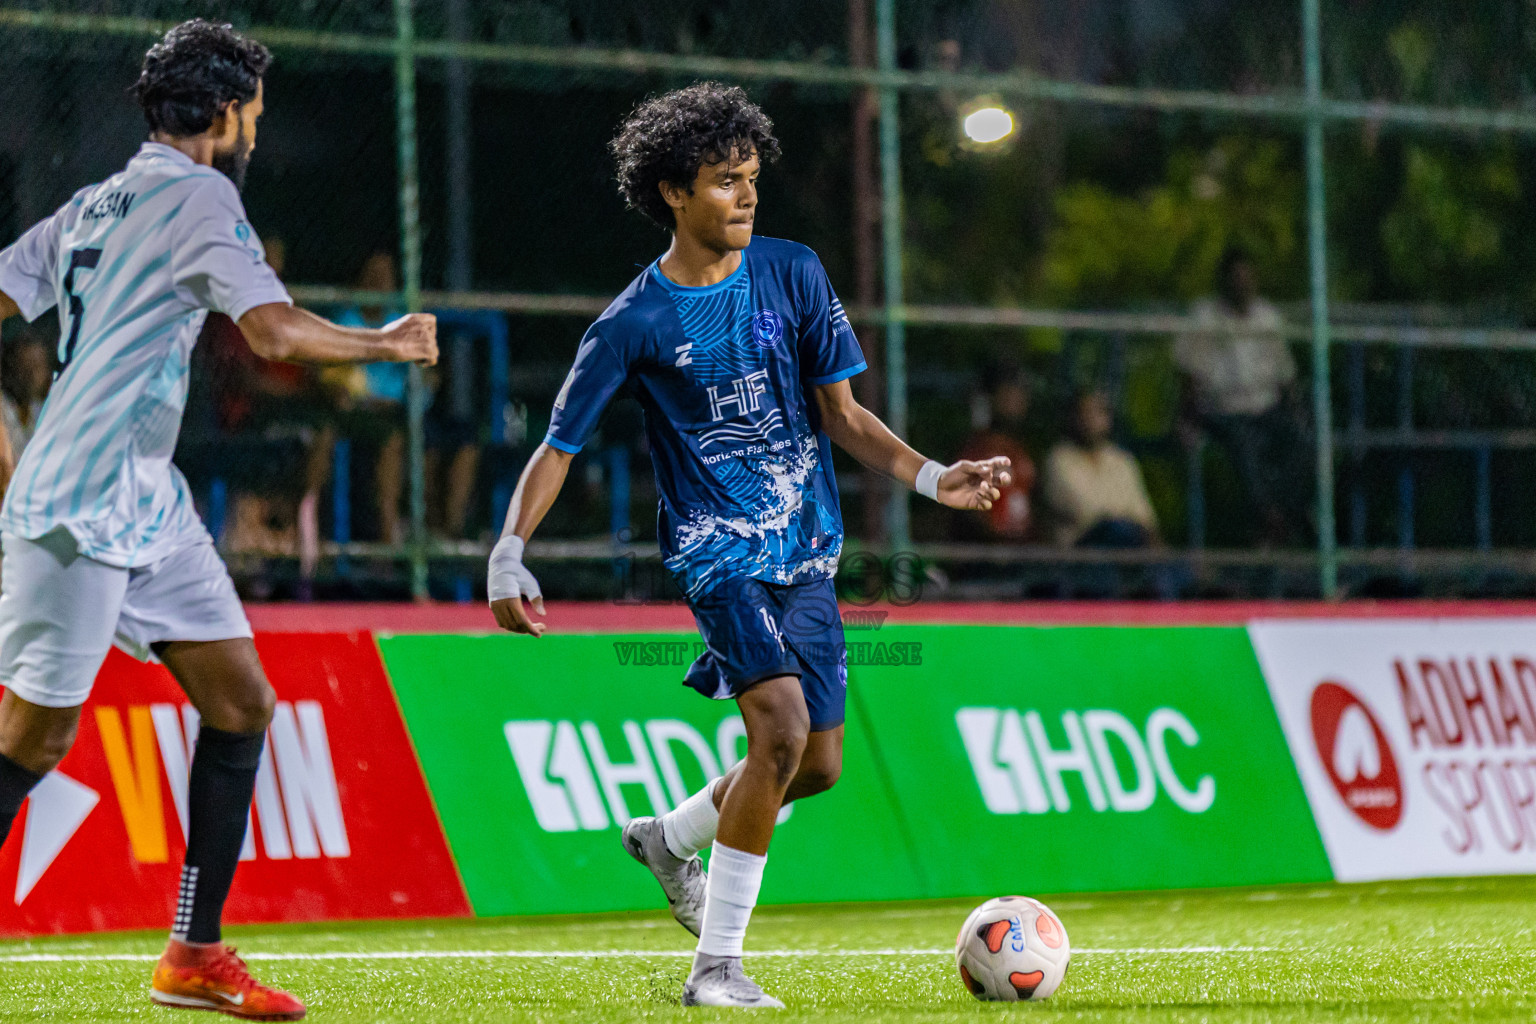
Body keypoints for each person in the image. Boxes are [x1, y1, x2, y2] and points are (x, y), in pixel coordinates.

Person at [485, 83, 1010, 1009]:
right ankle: (717, 969)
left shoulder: (794, 272)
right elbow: (556, 448)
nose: (747, 197)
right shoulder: (632, 323)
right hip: (715, 551)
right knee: (778, 730)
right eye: (727, 183)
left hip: (804, 549)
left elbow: (841, 416)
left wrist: (935, 477)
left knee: (818, 763)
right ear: (673, 193)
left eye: (753, 179)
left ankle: (667, 839)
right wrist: (509, 549)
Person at [0, 20, 436, 1020]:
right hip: (74, 501)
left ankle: (192, 953)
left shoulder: (95, 202)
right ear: (223, 113)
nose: (257, 132)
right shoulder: (203, 197)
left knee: (240, 701)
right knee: (29, 742)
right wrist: (388, 337)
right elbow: (273, 329)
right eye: (255, 114)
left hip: (145, 497)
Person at [1174, 248, 1306, 545]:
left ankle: (1287, 514)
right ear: (1224, 281)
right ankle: (1266, 516)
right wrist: (1187, 417)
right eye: (1236, 279)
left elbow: (1286, 374)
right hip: (1222, 409)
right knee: (1244, 442)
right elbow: (1189, 373)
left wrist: (1295, 411)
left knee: (1298, 438)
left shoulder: (1267, 317)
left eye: (1248, 278)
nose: (1242, 285)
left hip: (1265, 407)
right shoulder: (1204, 316)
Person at [1042, 390, 1158, 548]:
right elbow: (1084, 512)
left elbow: (1145, 517)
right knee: (1117, 529)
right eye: (1084, 412)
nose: (1090, 420)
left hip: (1128, 548)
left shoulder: (1122, 461)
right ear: (1073, 417)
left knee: (1171, 562)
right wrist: (1121, 519)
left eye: (1097, 412)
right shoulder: (1059, 460)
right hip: (1082, 553)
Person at [956, 361, 1036, 541]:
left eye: (1021, 392)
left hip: (1023, 551)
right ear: (991, 397)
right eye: (1010, 391)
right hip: (990, 554)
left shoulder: (1020, 451)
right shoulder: (976, 451)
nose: (1018, 400)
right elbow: (970, 516)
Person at [0, 329, 50, 465]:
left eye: (41, 365)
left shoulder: (43, 411)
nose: (46, 374)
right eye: (32, 368)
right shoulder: (3, 410)